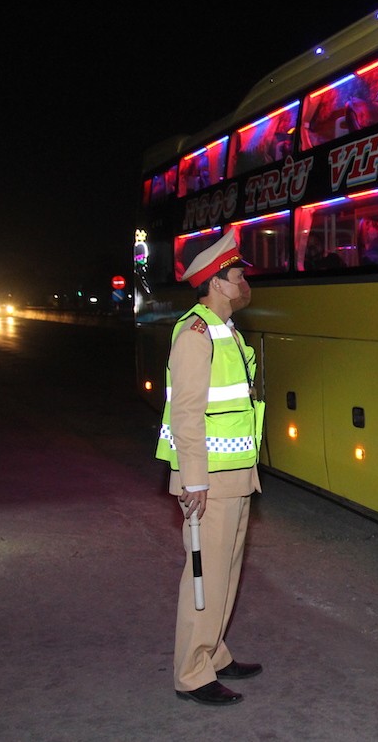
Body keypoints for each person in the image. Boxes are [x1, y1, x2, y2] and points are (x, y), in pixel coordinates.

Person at [155, 230, 264, 706]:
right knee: (205, 575)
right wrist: (193, 480)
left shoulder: (228, 332)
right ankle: (193, 672)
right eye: (238, 275)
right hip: (210, 480)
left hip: (235, 474)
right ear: (218, 282)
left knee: (226, 571)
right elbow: (186, 413)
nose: (244, 283)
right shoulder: (195, 334)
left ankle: (214, 653)